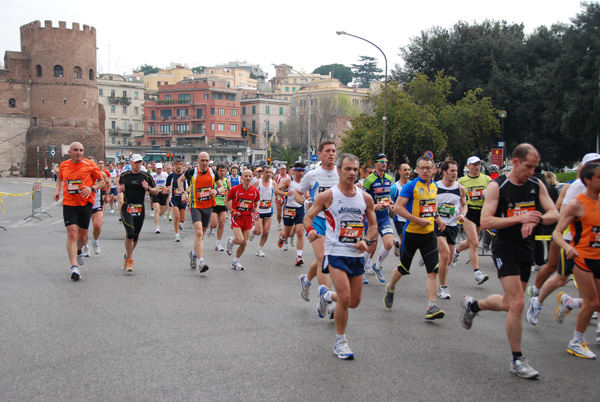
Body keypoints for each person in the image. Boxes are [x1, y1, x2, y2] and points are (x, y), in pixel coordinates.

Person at [460, 144, 558, 379]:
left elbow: (555, 213)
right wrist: (520, 218)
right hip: (505, 249)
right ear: (515, 162)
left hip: (527, 247)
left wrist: (536, 219)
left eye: (535, 167)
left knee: (508, 303)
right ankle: (517, 360)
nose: (532, 172)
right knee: (517, 304)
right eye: (528, 166)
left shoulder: (536, 184)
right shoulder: (498, 187)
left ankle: (473, 306)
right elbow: (487, 221)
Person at [304, 153, 378, 359]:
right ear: (339, 171)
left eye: (355, 169)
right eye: (347, 169)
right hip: (335, 252)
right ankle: (341, 341)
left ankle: (326, 295)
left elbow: (372, 226)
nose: (352, 173)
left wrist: (367, 240)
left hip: (356, 255)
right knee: (345, 297)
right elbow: (308, 216)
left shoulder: (365, 198)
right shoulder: (328, 196)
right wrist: (310, 229)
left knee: (353, 302)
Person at [525, 153, 600, 326]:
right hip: (570, 239)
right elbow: (563, 211)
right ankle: (537, 299)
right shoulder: (576, 187)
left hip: (592, 244)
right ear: (585, 169)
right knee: (559, 276)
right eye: (594, 164)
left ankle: (580, 307)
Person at [383, 155, 447, 320]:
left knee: (433, 270)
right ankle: (390, 288)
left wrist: (438, 219)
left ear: (433, 170)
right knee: (403, 269)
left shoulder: (433, 187)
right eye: (422, 168)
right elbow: (397, 208)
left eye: (428, 168)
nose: (425, 171)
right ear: (416, 170)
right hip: (412, 234)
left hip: (429, 235)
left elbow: (431, 207)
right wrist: (417, 220)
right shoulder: (410, 187)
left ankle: (431, 306)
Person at [551, 162, 600, 359]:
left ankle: (569, 302)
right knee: (592, 302)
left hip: (598, 257)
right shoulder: (576, 204)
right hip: (582, 258)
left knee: (597, 303)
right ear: (587, 180)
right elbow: (556, 233)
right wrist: (568, 247)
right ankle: (576, 342)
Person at [295, 140, 339, 302]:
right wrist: (305, 203)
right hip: (317, 221)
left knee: (323, 258)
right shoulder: (312, 175)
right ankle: (327, 299)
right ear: (319, 154)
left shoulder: (340, 173)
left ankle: (306, 281)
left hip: (335, 224)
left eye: (334, 151)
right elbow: (297, 193)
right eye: (327, 151)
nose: (332, 154)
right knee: (323, 260)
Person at [53, 142, 104, 280]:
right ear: (70, 152)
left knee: (82, 238)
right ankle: (74, 268)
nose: (79, 152)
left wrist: (91, 188)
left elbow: (102, 182)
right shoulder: (64, 165)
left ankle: (80, 249)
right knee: (71, 233)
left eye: (81, 150)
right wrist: (58, 191)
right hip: (69, 203)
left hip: (85, 204)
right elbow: (60, 179)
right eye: (75, 150)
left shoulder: (90, 165)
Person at [179, 152, 224, 273]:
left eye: (207, 161)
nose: (204, 163)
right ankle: (201, 262)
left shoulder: (213, 173)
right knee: (198, 233)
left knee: (202, 235)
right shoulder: (191, 172)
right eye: (202, 160)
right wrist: (183, 192)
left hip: (208, 206)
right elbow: (180, 180)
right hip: (195, 206)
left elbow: (222, 187)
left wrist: (216, 191)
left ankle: (193, 254)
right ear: (198, 161)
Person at [453, 156, 491, 285]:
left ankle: (455, 252)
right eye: (474, 164)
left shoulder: (486, 179)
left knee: (470, 241)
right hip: (468, 212)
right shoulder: (462, 181)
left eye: (479, 164)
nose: (477, 167)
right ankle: (477, 273)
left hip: (481, 212)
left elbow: (494, 193)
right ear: (468, 167)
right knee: (475, 242)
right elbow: (457, 197)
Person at [118, 154, 159, 272]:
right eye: (135, 162)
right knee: (130, 233)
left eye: (140, 162)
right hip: (127, 207)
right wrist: (121, 190)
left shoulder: (146, 176)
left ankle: (127, 254)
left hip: (140, 209)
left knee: (135, 236)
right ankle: (130, 260)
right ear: (130, 163)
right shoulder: (124, 175)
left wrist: (148, 189)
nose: (138, 164)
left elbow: (156, 191)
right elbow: (119, 186)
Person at [435, 160, 467, 299]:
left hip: (453, 226)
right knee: (446, 255)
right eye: (452, 171)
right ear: (444, 172)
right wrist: (437, 217)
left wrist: (462, 214)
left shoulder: (460, 188)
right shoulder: (435, 187)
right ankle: (443, 287)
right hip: (438, 224)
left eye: (456, 170)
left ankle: (433, 260)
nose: (455, 173)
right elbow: (429, 205)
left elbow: (464, 205)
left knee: (448, 260)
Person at [361, 153, 395, 284]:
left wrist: (390, 203)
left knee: (389, 243)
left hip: (384, 217)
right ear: (375, 163)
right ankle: (362, 269)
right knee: (371, 245)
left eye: (386, 161)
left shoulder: (388, 178)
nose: (384, 164)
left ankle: (377, 265)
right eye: (381, 161)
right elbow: (362, 197)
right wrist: (373, 206)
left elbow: (387, 195)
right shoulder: (369, 180)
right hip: (372, 217)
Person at [225, 169, 261, 270]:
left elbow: (256, 205)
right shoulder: (235, 189)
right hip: (237, 218)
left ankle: (235, 261)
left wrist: (256, 212)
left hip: (248, 218)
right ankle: (231, 241)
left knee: (245, 242)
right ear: (241, 178)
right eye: (246, 176)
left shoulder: (255, 191)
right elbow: (226, 201)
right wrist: (232, 210)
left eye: (250, 176)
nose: (248, 178)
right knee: (240, 240)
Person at [275, 162, 307, 265]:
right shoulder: (289, 180)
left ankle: (299, 256)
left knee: (300, 232)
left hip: (300, 209)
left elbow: (306, 194)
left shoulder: (305, 181)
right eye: (299, 171)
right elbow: (276, 190)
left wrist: (307, 197)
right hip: (289, 209)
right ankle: (282, 236)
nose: (301, 173)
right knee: (287, 233)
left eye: (303, 171)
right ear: (295, 171)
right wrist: (285, 193)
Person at [82, 156, 110, 257]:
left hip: (97, 203)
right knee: (84, 229)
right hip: (84, 203)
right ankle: (85, 246)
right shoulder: (82, 174)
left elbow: (108, 182)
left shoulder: (100, 174)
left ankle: (95, 240)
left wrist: (106, 194)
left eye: (92, 164)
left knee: (97, 225)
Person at [251, 166, 276, 257]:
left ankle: (259, 249)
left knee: (266, 231)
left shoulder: (273, 183)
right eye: (266, 172)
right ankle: (253, 231)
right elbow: (250, 193)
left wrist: (279, 198)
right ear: (263, 173)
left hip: (269, 210)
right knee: (259, 231)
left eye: (270, 172)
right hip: (258, 210)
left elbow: (276, 193)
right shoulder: (257, 183)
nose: (268, 174)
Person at [206, 164, 231, 251]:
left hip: (223, 205)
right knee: (214, 224)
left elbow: (230, 193)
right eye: (221, 171)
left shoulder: (227, 181)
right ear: (217, 171)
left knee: (222, 223)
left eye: (224, 171)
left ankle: (218, 243)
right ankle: (210, 228)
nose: (223, 172)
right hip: (214, 204)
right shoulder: (214, 181)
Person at [389, 163, 411, 256]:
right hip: (398, 218)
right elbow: (388, 198)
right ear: (399, 171)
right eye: (405, 170)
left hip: (410, 217)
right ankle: (402, 264)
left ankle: (397, 244)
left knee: (409, 242)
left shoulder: (412, 185)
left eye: (408, 170)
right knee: (405, 240)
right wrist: (391, 205)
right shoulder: (395, 187)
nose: (407, 172)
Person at [166, 158, 188, 242]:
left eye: (180, 164)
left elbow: (190, 186)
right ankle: (177, 235)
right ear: (174, 166)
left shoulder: (186, 175)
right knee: (176, 216)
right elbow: (166, 185)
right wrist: (167, 189)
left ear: (182, 165)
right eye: (177, 164)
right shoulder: (171, 176)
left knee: (182, 219)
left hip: (183, 199)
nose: (178, 166)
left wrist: (186, 192)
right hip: (174, 198)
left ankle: (179, 224)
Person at [151, 163, 169, 234]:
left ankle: (156, 217)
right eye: (158, 169)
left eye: (160, 169)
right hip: (155, 193)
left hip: (163, 193)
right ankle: (157, 227)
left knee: (162, 211)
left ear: (162, 169)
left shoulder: (165, 175)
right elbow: (150, 184)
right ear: (155, 169)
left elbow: (169, 184)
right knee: (156, 209)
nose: (159, 170)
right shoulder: (152, 176)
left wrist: (166, 189)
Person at [274, 164, 289, 231]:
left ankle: (286, 224)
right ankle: (279, 223)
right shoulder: (277, 177)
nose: (284, 170)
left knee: (287, 211)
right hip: (279, 195)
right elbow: (274, 187)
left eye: (285, 169)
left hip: (286, 196)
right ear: (279, 170)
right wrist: (277, 196)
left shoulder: (288, 176)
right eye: (282, 169)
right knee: (279, 211)